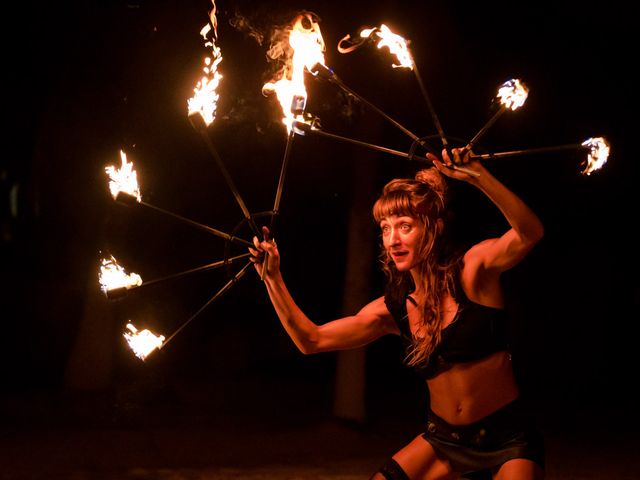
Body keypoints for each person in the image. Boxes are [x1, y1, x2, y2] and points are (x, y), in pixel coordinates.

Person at [249, 147, 545, 479]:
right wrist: (272, 278)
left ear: (433, 228)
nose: (393, 239)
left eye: (404, 226)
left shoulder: (473, 271)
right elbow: (310, 340)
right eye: (386, 228)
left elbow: (529, 233)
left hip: (507, 440)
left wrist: (479, 176)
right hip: (444, 441)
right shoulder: (394, 309)